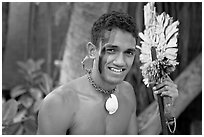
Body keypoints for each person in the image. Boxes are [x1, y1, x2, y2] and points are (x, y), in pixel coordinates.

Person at [37, 11, 178, 135]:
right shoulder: (58, 103)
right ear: (92, 51)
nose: (121, 62)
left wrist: (164, 109)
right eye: (111, 50)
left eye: (128, 52)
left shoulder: (127, 92)